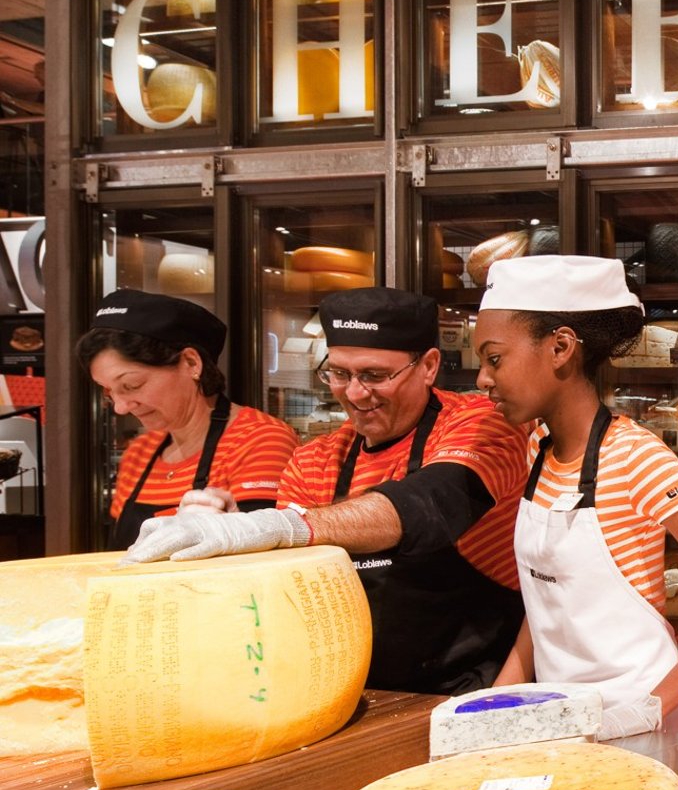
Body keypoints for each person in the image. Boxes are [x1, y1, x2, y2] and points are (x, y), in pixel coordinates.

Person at [124, 286, 529, 696]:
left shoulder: (482, 423)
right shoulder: (315, 460)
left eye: (374, 375)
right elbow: (293, 587)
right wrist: (234, 544)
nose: (354, 393)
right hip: (355, 690)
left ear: (428, 366)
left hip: (473, 685)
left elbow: (431, 505)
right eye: (339, 374)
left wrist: (276, 526)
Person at [474, 253, 678, 738]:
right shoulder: (537, 449)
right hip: (563, 723)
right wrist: (495, 702)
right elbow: (547, 604)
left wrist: (648, 711)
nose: (483, 379)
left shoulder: (635, 457)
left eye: (494, 359)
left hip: (646, 729)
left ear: (561, 347)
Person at [77, 288, 299, 550]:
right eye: (108, 392)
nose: (121, 407)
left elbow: (261, 556)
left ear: (192, 363)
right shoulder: (139, 453)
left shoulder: (260, 441)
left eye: (132, 385)